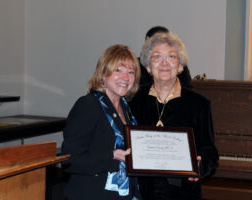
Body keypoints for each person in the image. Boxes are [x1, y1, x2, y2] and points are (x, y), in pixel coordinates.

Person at [129, 32, 218, 200]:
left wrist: (200, 166)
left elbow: (209, 151)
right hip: (142, 192)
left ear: (180, 66)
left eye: (171, 56)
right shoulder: (134, 101)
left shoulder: (199, 104)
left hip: (183, 193)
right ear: (148, 66)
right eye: (157, 57)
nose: (164, 63)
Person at [61, 44, 142, 200]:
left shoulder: (126, 109)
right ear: (104, 74)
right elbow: (70, 159)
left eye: (131, 72)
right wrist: (111, 156)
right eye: (118, 70)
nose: (125, 78)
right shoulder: (89, 105)